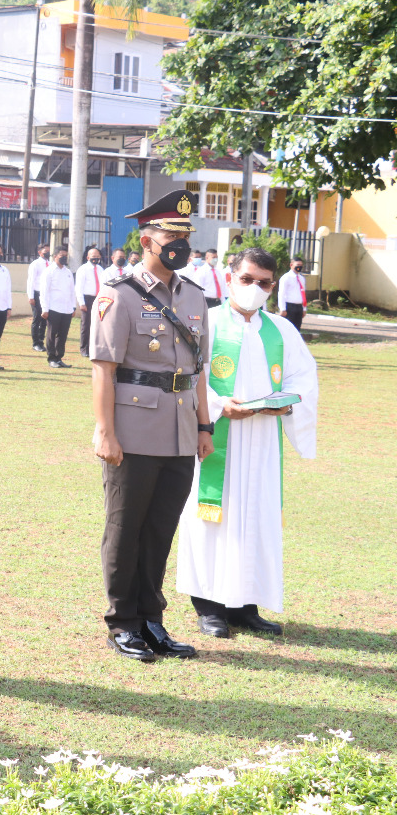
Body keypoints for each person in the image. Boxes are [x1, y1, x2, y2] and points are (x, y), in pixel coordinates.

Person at [89, 188, 213, 663]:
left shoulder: (196, 296)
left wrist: (205, 427)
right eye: (170, 234)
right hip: (134, 427)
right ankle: (123, 622)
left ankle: (151, 620)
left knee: (160, 528)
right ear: (147, 239)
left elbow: (196, 369)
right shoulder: (118, 295)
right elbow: (103, 367)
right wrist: (105, 431)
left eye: (185, 234)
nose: (179, 242)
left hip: (181, 429)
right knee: (126, 527)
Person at [176, 247, 318, 638]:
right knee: (212, 519)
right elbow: (191, 375)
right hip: (217, 437)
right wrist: (221, 407)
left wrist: (286, 407)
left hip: (262, 442)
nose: (255, 288)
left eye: (264, 283)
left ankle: (245, 605)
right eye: (247, 279)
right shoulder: (207, 323)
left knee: (255, 515)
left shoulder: (281, 329)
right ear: (229, 277)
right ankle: (209, 607)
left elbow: (303, 379)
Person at [39, 248, 76, 368]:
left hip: (66, 309)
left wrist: (73, 307)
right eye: (61, 255)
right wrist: (45, 308)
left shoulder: (68, 272)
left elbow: (72, 291)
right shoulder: (49, 271)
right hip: (53, 308)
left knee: (63, 335)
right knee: (51, 334)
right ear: (55, 256)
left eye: (66, 255)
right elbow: (44, 291)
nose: (64, 257)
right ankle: (51, 358)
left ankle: (59, 357)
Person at [75, 247, 103, 358]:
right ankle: (84, 348)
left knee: (97, 325)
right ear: (88, 257)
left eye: (97, 256)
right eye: (93, 256)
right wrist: (81, 302)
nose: (95, 258)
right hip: (87, 299)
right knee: (86, 325)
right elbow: (79, 287)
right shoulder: (83, 269)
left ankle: (93, 348)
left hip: (98, 299)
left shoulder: (101, 269)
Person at [27, 243, 50, 353]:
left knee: (44, 318)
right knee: (37, 318)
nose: (47, 253)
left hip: (46, 294)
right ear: (39, 252)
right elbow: (31, 281)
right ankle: (36, 342)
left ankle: (41, 340)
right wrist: (31, 296)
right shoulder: (35, 264)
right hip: (36, 293)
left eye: (49, 251)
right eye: (45, 251)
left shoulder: (50, 264)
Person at [276, 257, 308, 332]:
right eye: (297, 265)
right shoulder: (286, 277)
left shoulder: (301, 278)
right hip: (289, 306)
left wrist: (304, 308)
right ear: (291, 265)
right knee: (288, 329)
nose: (299, 267)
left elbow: (303, 294)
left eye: (301, 265)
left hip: (299, 306)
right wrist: (282, 308)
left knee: (297, 329)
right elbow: (281, 294)